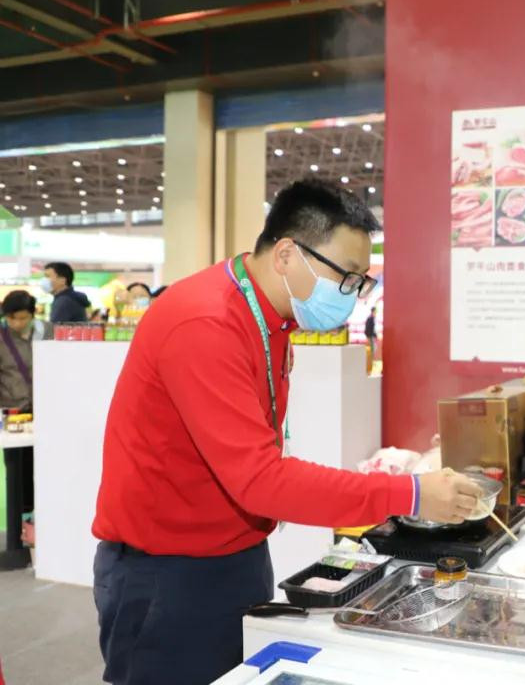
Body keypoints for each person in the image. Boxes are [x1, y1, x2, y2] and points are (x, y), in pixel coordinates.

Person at [92, 177, 482, 685]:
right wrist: (409, 493)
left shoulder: (270, 318)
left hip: (234, 554)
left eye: (360, 282)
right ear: (286, 255)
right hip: (167, 575)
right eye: (346, 277)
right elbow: (260, 479)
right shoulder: (205, 324)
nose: (351, 295)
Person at [0, 290, 51, 411]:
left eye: (23, 318)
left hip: (44, 406)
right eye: (11, 318)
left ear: (32, 315)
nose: (17, 323)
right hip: (11, 408)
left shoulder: (47, 332)